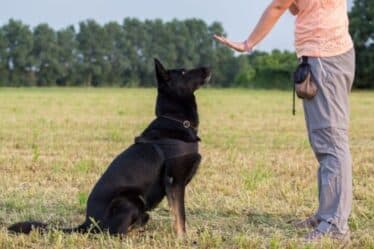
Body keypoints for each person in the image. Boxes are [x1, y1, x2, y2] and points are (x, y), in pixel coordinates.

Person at [214, 0, 355, 244]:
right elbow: (296, 6)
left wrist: (248, 44)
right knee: (326, 142)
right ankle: (326, 215)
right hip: (333, 54)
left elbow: (279, 6)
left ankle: (334, 225)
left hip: (324, 59)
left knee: (331, 143)